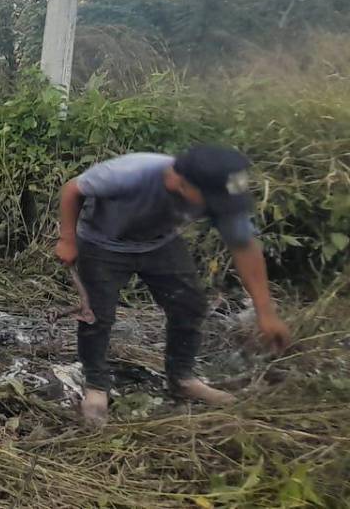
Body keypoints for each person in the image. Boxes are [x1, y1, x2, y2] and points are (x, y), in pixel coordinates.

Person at [55, 145, 292, 426]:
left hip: (160, 244)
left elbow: (244, 246)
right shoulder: (132, 172)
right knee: (96, 315)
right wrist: (68, 239)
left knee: (189, 305)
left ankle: (182, 378)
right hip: (103, 244)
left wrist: (266, 312)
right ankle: (96, 386)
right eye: (211, 201)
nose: (216, 209)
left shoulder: (218, 193)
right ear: (180, 182)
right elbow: (72, 189)